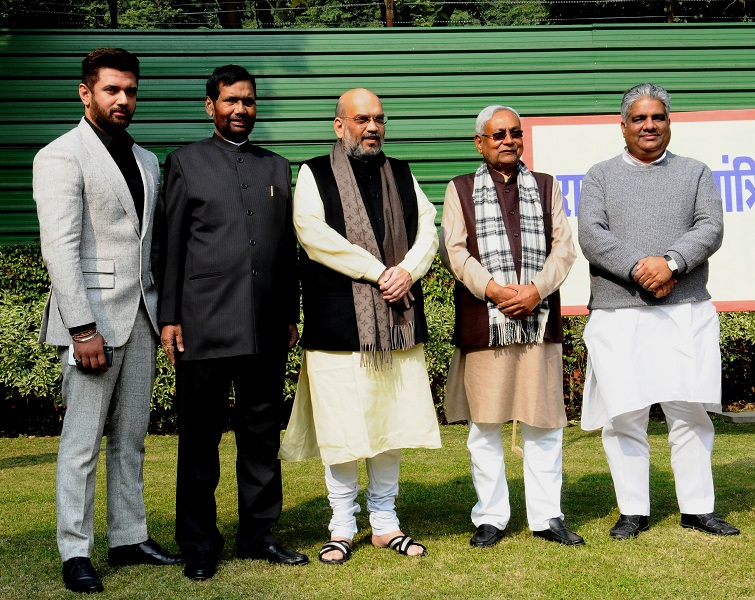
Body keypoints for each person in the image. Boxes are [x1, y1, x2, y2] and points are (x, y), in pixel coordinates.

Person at [33, 47, 182, 594]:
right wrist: (80, 329)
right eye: (112, 90)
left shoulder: (145, 159)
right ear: (86, 92)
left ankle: (129, 536)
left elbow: (152, 246)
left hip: (140, 317)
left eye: (130, 91)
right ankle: (76, 551)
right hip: (92, 323)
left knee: (131, 440)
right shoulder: (59, 156)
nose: (123, 100)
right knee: (80, 445)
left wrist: (164, 314)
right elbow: (60, 249)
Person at [279, 88, 441, 564]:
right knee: (342, 430)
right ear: (339, 125)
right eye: (361, 119)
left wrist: (406, 271)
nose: (372, 127)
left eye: (379, 119)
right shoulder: (314, 172)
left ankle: (386, 524)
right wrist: (380, 271)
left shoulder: (402, 172)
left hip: (395, 320)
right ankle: (342, 526)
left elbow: (429, 228)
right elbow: (313, 235)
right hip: (337, 323)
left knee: (390, 427)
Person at [158, 64, 306, 580]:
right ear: (211, 106)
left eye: (248, 100)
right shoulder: (184, 163)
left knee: (262, 436)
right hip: (204, 325)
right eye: (230, 101)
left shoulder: (276, 168)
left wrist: (290, 311)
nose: (240, 109)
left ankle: (258, 534)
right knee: (200, 439)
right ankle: (199, 542)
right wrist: (170, 318)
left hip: (265, 328)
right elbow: (170, 246)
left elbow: (286, 249)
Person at [578, 83, 739, 539]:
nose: (649, 125)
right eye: (639, 118)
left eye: (658, 117)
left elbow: (710, 227)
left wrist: (668, 264)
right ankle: (633, 510)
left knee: (688, 410)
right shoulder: (600, 175)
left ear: (670, 122)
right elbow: (592, 233)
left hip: (684, 306)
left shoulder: (695, 173)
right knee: (624, 414)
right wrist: (638, 269)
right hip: (618, 311)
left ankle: (698, 508)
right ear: (623, 125)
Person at [440, 105, 582, 548]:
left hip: (538, 322)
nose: (507, 140)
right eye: (497, 134)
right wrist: (496, 291)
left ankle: (547, 517)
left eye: (514, 133)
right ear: (479, 142)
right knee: (485, 426)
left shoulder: (546, 187)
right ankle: (491, 517)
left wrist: (535, 290)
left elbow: (564, 248)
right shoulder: (460, 189)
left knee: (543, 425)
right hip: (486, 324)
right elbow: (454, 250)